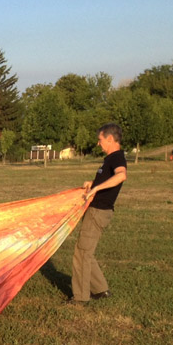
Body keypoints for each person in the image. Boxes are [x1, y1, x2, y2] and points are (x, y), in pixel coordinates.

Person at [68, 123, 127, 304]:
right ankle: (101, 290)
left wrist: (96, 190)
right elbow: (109, 177)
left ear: (110, 139)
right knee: (86, 251)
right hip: (97, 211)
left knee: (82, 253)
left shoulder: (116, 157)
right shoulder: (110, 159)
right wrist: (92, 184)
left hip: (98, 212)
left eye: (100, 139)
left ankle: (80, 298)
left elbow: (121, 176)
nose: (98, 143)